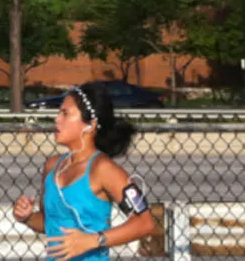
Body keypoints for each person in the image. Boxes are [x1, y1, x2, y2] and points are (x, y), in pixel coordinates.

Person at [12, 81, 159, 260]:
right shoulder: (52, 166)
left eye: (65, 113)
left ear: (90, 125)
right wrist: (26, 217)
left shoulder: (103, 169)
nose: (57, 119)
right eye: (59, 112)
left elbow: (145, 222)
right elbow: (49, 223)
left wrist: (93, 240)